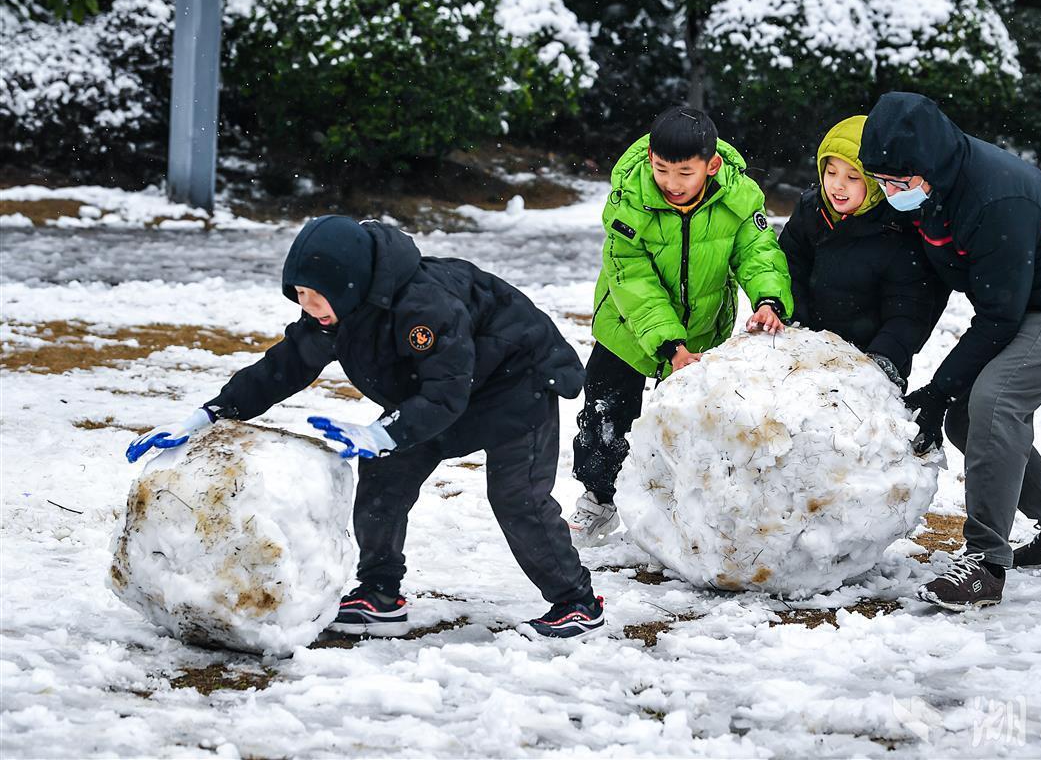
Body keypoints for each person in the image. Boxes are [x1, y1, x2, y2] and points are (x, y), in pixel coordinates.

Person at [126, 215, 605, 639]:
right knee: (383, 477)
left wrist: (382, 434)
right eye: (299, 297)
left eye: (315, 297)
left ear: (348, 283)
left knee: (517, 498)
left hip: (515, 385)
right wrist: (210, 413)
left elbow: (446, 393)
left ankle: (575, 602)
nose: (308, 307)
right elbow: (285, 365)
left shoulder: (424, 307)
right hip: (433, 393)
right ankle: (379, 593)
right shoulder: (339, 312)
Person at [860, 92, 1041, 612]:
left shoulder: (995, 197)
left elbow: (999, 316)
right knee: (965, 421)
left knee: (994, 404)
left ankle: (984, 565)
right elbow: (931, 285)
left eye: (900, 183)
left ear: (928, 164)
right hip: (1016, 300)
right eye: (882, 183)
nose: (891, 193)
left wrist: (938, 389)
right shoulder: (929, 191)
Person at [568, 105, 793, 546]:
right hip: (628, 330)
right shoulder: (628, 201)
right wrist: (670, 345)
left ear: (711, 166)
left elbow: (759, 252)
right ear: (650, 157)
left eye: (684, 173)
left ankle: (678, 504)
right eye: (661, 170)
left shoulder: (739, 198)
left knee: (690, 423)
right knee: (606, 416)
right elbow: (633, 280)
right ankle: (599, 495)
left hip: (702, 332)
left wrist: (768, 300)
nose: (671, 184)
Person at [779, 114, 946, 391]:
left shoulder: (897, 230)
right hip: (805, 352)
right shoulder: (812, 211)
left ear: (875, 183)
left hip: (867, 361)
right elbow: (790, 266)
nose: (838, 185)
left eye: (852, 177)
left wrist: (883, 358)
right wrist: (797, 323)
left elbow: (909, 308)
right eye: (831, 172)